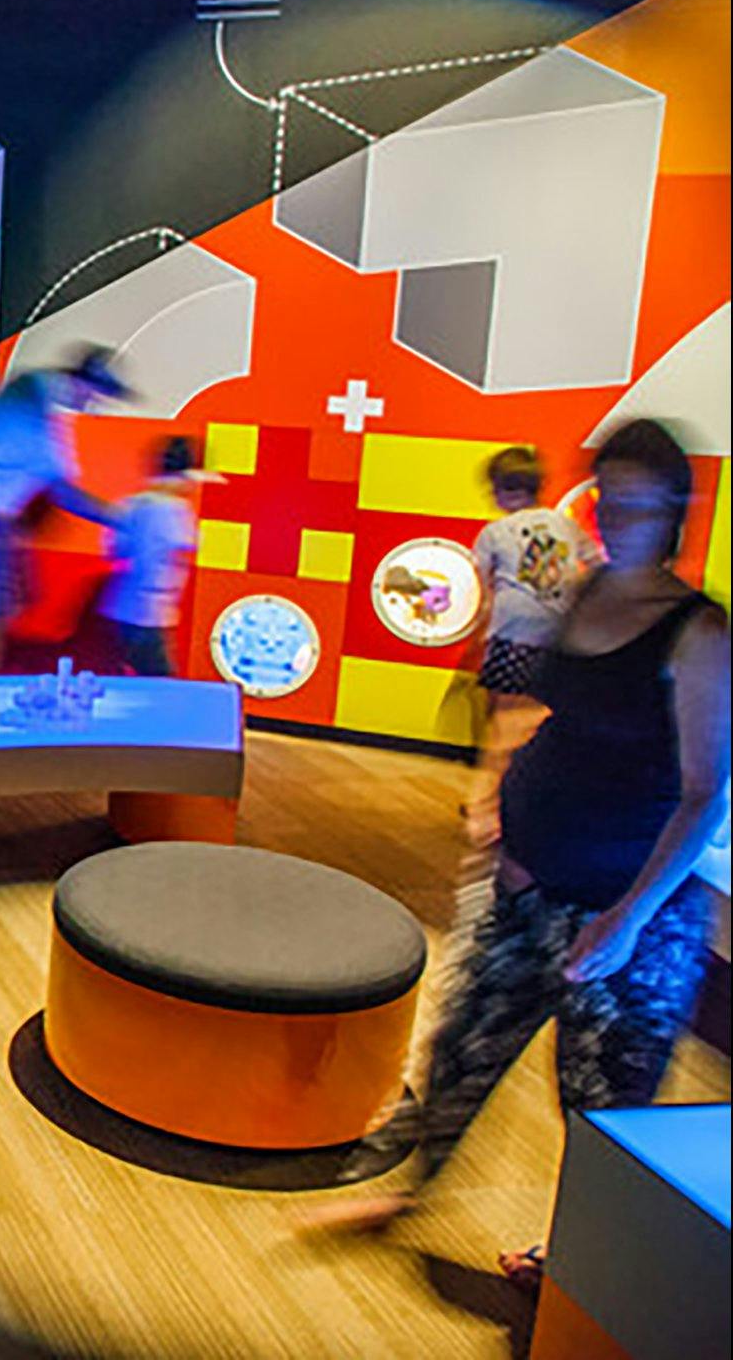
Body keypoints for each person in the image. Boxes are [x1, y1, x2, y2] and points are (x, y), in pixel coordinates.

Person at [311, 421, 730, 1287]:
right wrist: (500, 801)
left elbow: (703, 793)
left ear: (674, 510)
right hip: (527, 890)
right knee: (464, 1043)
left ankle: (578, 1264)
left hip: (625, 919)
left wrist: (626, 919)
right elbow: (552, 717)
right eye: (609, 498)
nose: (620, 519)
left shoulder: (700, 632)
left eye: (641, 503)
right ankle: (408, 1191)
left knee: (599, 1103)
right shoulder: (585, 591)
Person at [0, 345, 128, 674]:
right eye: (96, 395)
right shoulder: (41, 414)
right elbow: (66, 494)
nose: (95, 405)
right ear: (84, 383)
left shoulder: (36, 389)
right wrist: (118, 519)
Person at [466, 445, 600, 838]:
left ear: (501, 489)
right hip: (556, 640)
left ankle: (487, 804)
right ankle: (523, 802)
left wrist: (480, 630)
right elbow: (596, 566)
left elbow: (483, 589)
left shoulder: (494, 533)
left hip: (511, 634)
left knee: (502, 723)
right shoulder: (565, 526)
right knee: (536, 722)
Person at [98, 435, 200, 677]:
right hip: (151, 613)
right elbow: (184, 546)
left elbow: (114, 550)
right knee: (161, 683)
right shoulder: (175, 511)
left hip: (119, 607)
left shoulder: (130, 505)